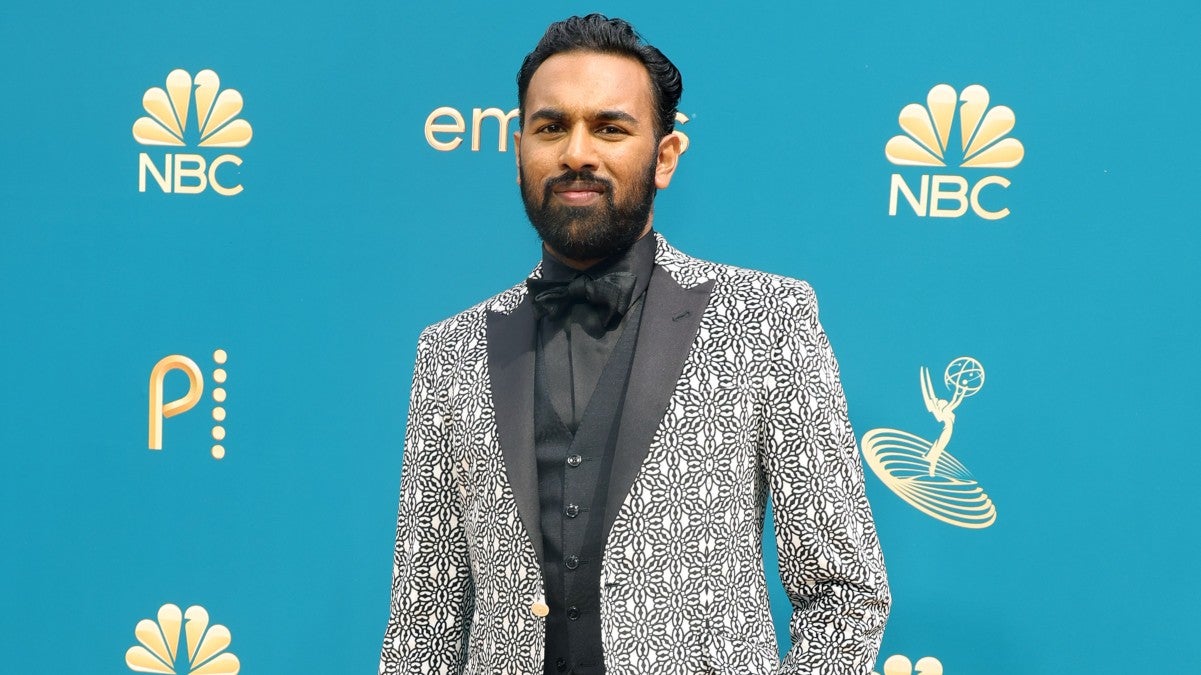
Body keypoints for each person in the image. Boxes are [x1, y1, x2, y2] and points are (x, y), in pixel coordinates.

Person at [380, 14, 889, 675]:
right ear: (519, 151)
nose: (577, 153)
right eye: (551, 127)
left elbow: (845, 595)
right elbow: (422, 626)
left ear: (665, 156)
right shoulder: (449, 351)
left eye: (609, 128)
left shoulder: (766, 319)